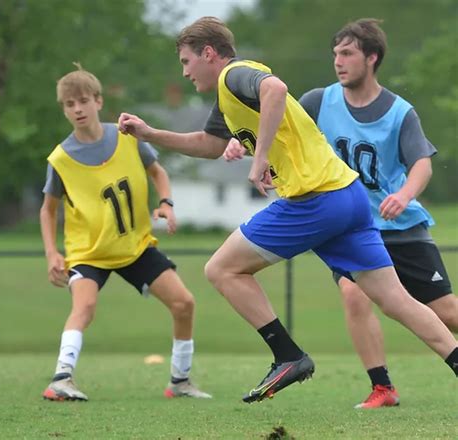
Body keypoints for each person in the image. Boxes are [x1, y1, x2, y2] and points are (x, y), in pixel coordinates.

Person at [118, 17, 458, 404]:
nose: (184, 71)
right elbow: (210, 144)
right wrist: (150, 134)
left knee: (222, 269)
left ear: (208, 53)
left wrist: (259, 157)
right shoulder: (227, 98)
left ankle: (288, 355)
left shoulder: (235, 75)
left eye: (185, 61)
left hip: (314, 198)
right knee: (397, 301)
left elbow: (276, 89)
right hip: (348, 196)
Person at [225, 18, 458, 409]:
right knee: (354, 294)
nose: (338, 61)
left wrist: (403, 194)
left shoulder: (400, 112)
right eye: (335, 53)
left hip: (399, 225)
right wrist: (241, 144)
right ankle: (382, 388)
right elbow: (283, 129)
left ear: (372, 57)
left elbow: (422, 164)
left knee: (446, 310)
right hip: (344, 223)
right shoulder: (318, 100)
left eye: (347, 53)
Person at [40, 64, 211, 401]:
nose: (77, 109)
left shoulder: (126, 138)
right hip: (89, 253)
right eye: (69, 104)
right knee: (84, 307)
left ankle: (180, 382)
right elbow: (48, 209)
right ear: (64, 109)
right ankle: (61, 378)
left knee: (184, 303)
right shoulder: (60, 159)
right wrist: (51, 252)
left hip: (135, 247)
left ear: (99, 101)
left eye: (83, 101)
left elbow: (157, 172)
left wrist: (166, 203)